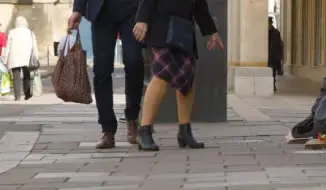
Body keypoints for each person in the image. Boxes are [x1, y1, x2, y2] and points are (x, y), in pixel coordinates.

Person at [133, 0, 224, 151]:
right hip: (160, 28)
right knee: (161, 76)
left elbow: (200, 4)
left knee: (186, 80)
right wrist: (142, 19)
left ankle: (184, 132)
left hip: (183, 30)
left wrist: (211, 31)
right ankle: (145, 131)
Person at [67, 0, 145, 149]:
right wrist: (78, 9)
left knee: (134, 62)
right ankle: (107, 129)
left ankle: (132, 117)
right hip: (102, 12)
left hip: (132, 10)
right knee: (102, 70)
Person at [2, 17, 38, 101]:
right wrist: (36, 57)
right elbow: (34, 46)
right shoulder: (29, 32)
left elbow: (8, 46)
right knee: (27, 75)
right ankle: (27, 93)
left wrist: (5, 58)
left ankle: (17, 96)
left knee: (16, 77)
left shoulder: (12, 32)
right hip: (26, 57)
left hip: (14, 58)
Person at [268, 17, 283, 93]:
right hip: (267, 56)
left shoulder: (276, 32)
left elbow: (279, 45)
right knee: (269, 72)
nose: (269, 25)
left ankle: (273, 85)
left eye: (269, 23)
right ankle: (270, 86)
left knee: (273, 73)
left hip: (273, 56)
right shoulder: (264, 33)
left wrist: (280, 58)